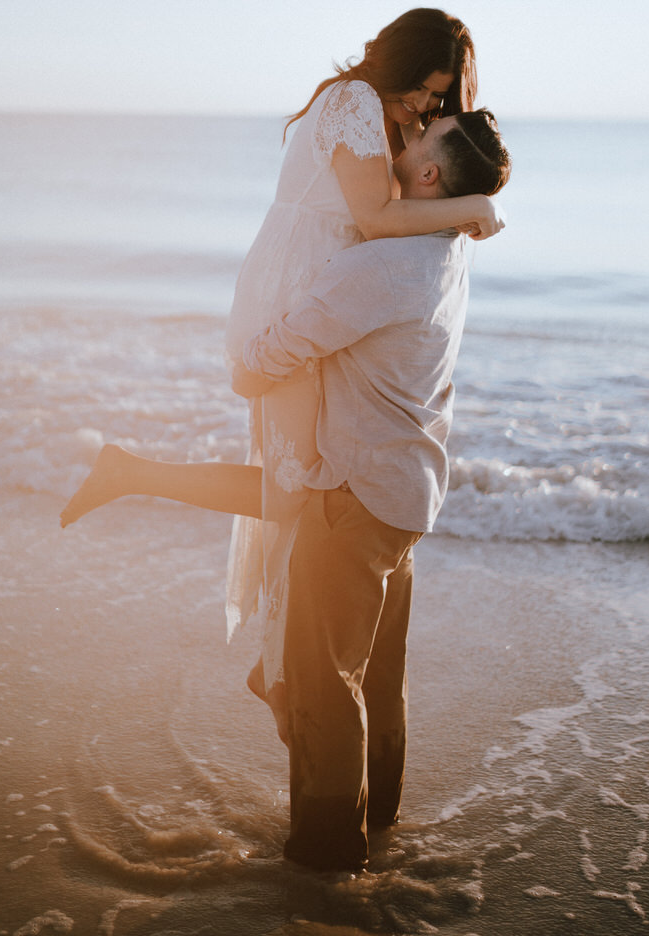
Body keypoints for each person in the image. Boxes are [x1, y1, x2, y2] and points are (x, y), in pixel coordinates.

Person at [61, 106, 512, 872]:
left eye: (416, 141)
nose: (400, 141)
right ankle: (381, 827)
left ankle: (328, 861)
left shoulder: (380, 266)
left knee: (323, 690)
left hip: (356, 499)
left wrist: (254, 364)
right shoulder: (443, 255)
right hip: (406, 497)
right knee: (376, 677)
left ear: (428, 174)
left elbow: (270, 352)